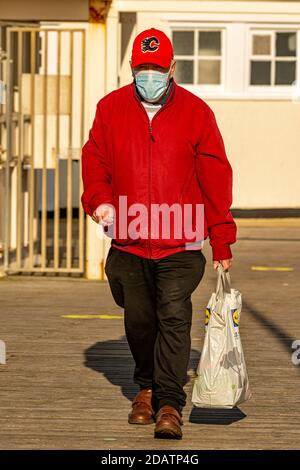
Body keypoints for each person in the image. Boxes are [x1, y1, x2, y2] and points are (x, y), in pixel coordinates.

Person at [81, 27, 237, 440]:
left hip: (180, 241)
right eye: (142, 68)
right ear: (133, 68)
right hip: (129, 239)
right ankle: (145, 385)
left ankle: (167, 401)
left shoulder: (196, 112)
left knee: (173, 315)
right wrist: (99, 200)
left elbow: (215, 177)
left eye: (156, 67)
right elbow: (94, 159)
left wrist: (222, 238)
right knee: (139, 320)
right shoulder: (110, 108)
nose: (149, 75)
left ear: (171, 68)